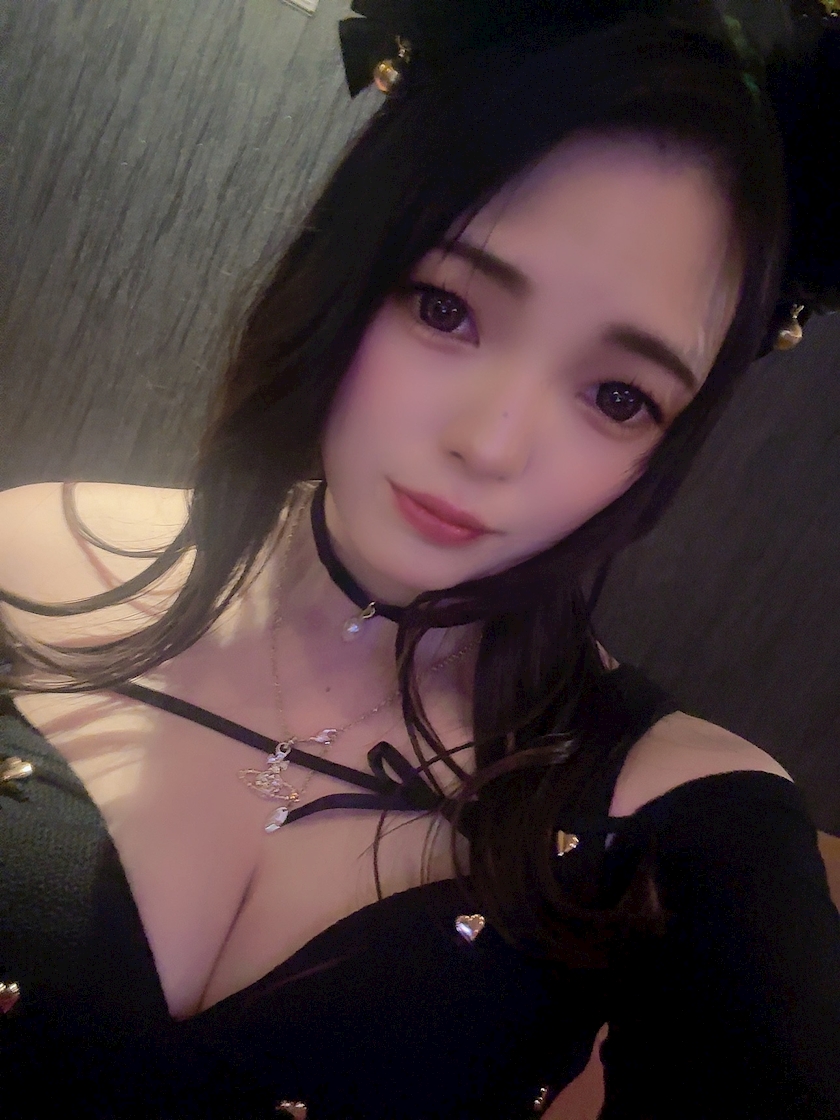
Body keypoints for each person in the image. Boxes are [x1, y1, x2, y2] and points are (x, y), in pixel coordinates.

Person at [1, 1, 839, 1117]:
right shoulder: (23, 561)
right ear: (353, 259)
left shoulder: (698, 818)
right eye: (446, 307)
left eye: (617, 395)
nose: (488, 445)